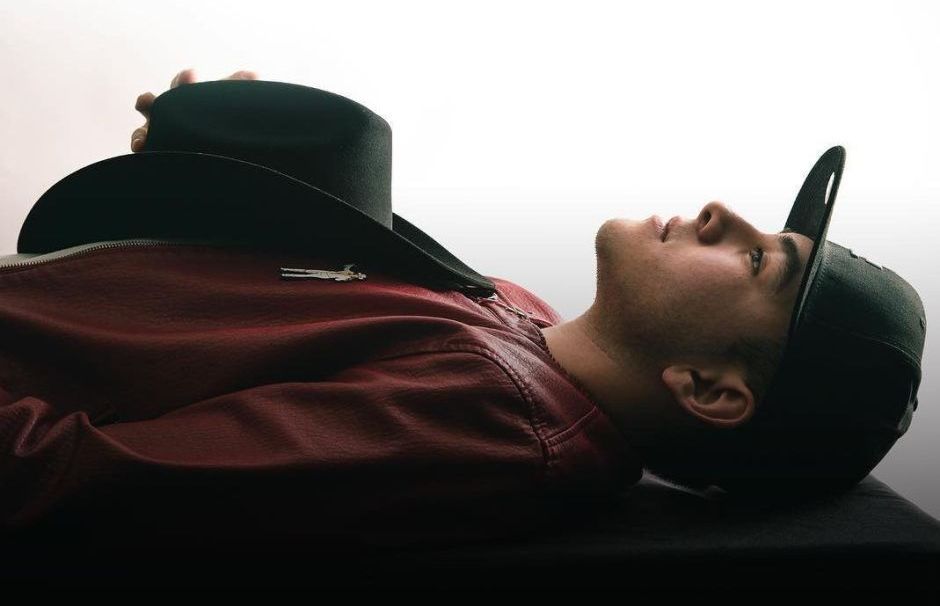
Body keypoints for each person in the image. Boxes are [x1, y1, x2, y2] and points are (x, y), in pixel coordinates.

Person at [0, 70, 925, 563]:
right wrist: (204, 185)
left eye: (759, 262)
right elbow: (262, 310)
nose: (723, 212)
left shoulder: (495, 423)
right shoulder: (521, 316)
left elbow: (67, 476)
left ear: (711, 390)